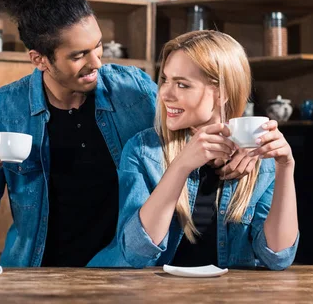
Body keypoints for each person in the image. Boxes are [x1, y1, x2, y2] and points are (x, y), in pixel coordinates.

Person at [0, 0, 261, 268]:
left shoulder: (135, 89)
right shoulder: (5, 107)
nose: (96, 62)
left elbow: (192, 125)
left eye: (97, 46)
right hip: (35, 273)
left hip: (124, 272)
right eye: (78, 55)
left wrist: (245, 145)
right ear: (40, 59)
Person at [115, 30, 299, 270]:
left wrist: (286, 167)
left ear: (221, 92)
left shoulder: (258, 158)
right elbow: (135, 252)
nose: (165, 94)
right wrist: (181, 165)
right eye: (166, 80)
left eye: (182, 84)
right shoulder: (143, 150)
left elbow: (278, 257)